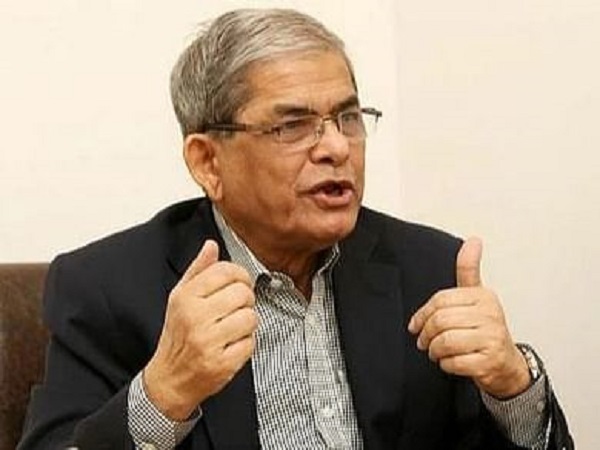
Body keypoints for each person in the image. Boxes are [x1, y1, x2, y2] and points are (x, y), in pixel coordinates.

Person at [19, 8, 573, 450]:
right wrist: (163, 395)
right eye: (293, 125)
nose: (336, 148)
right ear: (208, 162)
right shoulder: (108, 288)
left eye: (348, 118)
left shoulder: (430, 270)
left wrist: (512, 386)